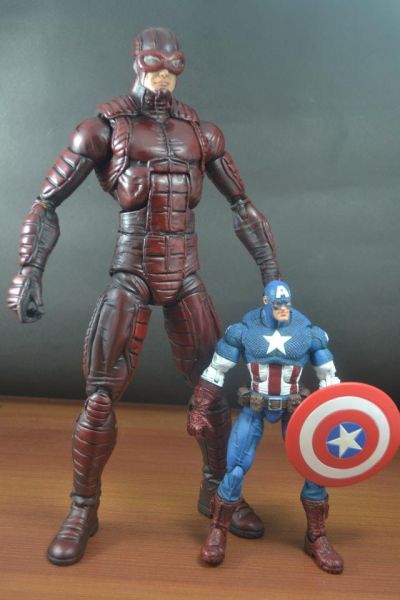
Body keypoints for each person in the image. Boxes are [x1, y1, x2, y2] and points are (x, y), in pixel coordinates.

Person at [7, 27, 279, 565]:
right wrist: (30, 270)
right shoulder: (104, 129)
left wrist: (273, 276)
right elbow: (46, 202)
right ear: (137, 63)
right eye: (154, 68)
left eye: (172, 70)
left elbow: (242, 205)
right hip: (131, 272)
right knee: (100, 396)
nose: (163, 80)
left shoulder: (201, 133)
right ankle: (83, 508)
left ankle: (217, 491)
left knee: (213, 391)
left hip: (186, 274)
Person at [188, 280, 344, 574]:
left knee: (314, 468)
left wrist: (334, 414)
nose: (283, 310)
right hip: (255, 407)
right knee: (235, 469)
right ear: (265, 301)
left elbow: (329, 378)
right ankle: (218, 531)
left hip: (294, 409)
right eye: (277, 304)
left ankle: (317, 536)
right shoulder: (243, 331)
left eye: (286, 304)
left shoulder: (308, 333)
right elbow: (215, 371)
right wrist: (200, 409)